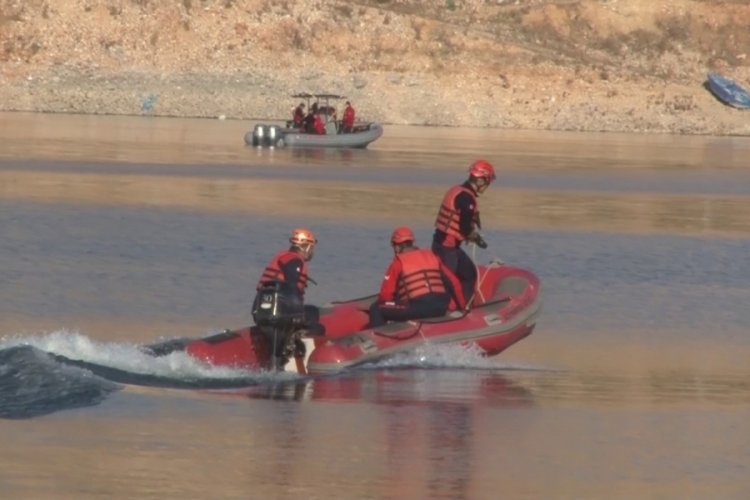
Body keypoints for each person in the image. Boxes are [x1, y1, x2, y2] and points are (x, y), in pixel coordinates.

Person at [368, 226, 466, 328]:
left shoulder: (398, 263)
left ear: (396, 246)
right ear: (412, 242)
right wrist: (462, 308)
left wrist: (394, 303)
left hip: (417, 308)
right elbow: (454, 283)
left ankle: (378, 339)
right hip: (440, 306)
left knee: (376, 308)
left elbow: (385, 296)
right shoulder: (431, 255)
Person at [432, 159, 496, 306]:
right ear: (480, 180)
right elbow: (464, 227)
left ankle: (465, 306)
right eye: (487, 182)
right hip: (446, 247)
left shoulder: (458, 190)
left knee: (469, 274)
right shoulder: (467, 198)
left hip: (448, 245)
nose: (487, 186)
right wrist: (477, 239)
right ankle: (449, 312)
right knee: (449, 281)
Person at [254, 227, 323, 335]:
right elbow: (292, 290)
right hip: (281, 312)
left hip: (260, 310)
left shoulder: (284, 257)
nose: (312, 252)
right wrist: (299, 313)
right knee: (315, 317)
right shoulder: (295, 261)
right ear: (307, 247)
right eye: (312, 248)